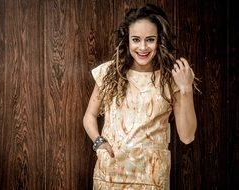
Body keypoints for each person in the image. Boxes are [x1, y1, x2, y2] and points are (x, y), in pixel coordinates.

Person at [83, 3, 197, 190]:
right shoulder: (109, 72)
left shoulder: (171, 78)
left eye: (150, 40)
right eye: (136, 39)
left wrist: (186, 89)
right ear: (127, 41)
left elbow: (187, 136)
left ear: (159, 40)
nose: (142, 47)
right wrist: (99, 142)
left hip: (151, 179)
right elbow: (89, 116)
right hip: (110, 176)